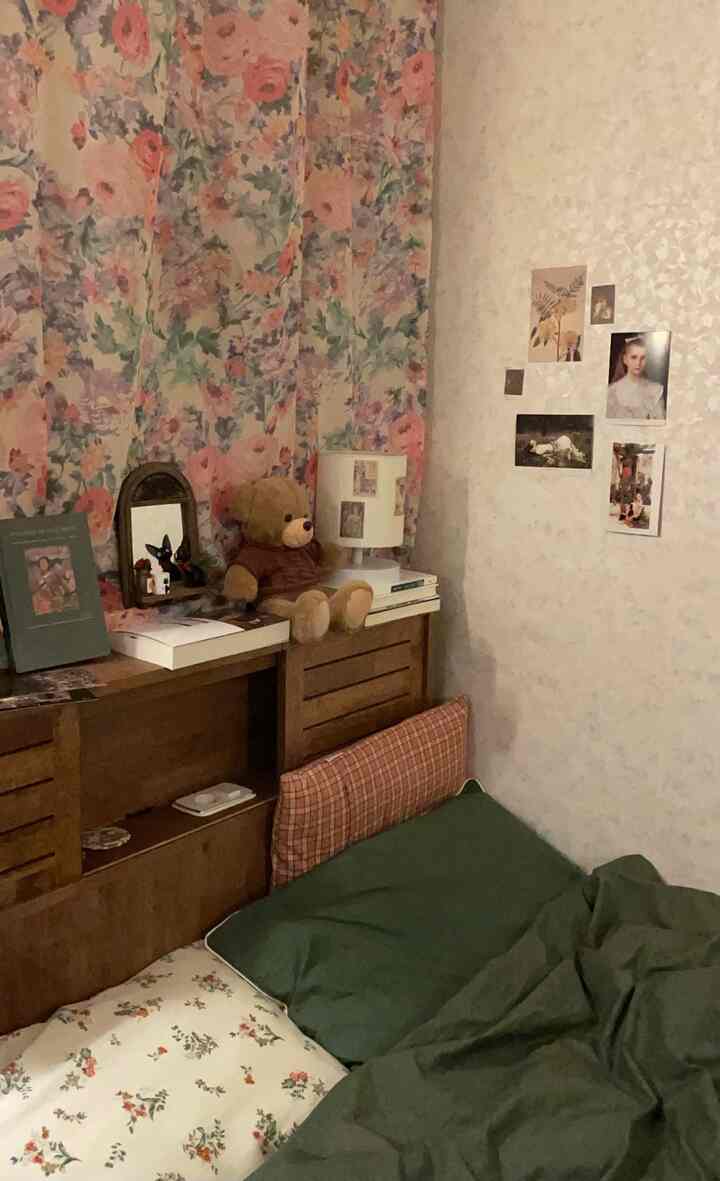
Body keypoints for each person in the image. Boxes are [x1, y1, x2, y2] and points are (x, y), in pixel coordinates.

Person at [606, 334, 665, 420]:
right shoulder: (611, 391)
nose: (638, 363)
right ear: (625, 359)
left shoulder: (655, 390)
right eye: (634, 357)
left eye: (643, 358)